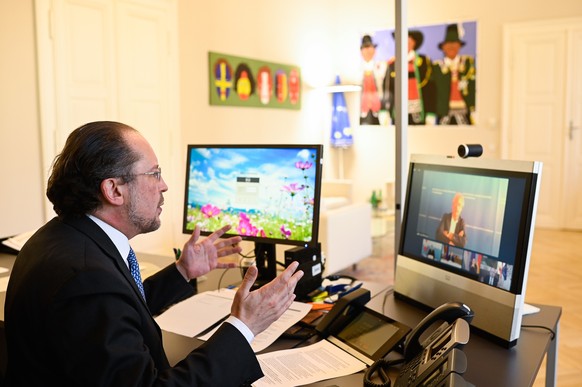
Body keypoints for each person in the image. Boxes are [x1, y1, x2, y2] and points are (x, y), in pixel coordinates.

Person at [4, 121, 304, 386]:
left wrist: (182, 272)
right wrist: (244, 325)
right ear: (114, 190)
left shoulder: (64, 236)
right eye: (154, 174)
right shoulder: (86, 278)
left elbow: (118, 305)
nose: (164, 186)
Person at [427, 24, 476, 125]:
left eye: (454, 44)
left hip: (465, 111)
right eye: (448, 44)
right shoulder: (436, 67)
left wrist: (475, 108)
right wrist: (430, 113)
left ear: (459, 46)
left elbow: (472, 87)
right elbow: (431, 92)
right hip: (444, 112)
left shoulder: (467, 64)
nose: (451, 47)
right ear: (443, 47)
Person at [383, 30, 433, 125]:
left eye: (409, 41)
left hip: (418, 109)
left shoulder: (424, 62)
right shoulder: (393, 64)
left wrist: (431, 112)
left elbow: (430, 88)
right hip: (399, 110)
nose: (406, 44)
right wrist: (385, 110)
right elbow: (388, 88)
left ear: (414, 43)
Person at [359, 34, 387, 125]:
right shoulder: (358, 69)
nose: (367, 51)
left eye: (369, 47)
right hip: (362, 109)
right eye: (365, 48)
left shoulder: (381, 66)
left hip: (378, 107)